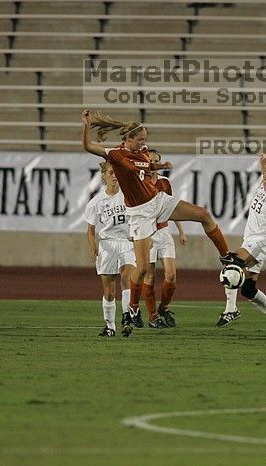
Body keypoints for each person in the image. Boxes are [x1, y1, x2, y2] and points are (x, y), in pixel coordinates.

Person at [81, 109, 244, 330]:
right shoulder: (116, 154)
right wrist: (86, 125)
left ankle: (226, 257)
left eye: (144, 140)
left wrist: (159, 166)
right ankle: (133, 310)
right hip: (139, 213)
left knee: (204, 215)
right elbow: (89, 147)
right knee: (141, 269)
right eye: (139, 140)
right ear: (128, 139)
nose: (143, 143)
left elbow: (145, 166)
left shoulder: (144, 151)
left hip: (157, 201)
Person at [215, 153, 266, 341]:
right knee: (248, 289)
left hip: (260, 242)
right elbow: (265, 176)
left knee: (232, 264)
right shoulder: (263, 187)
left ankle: (231, 309)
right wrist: (263, 165)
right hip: (251, 241)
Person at [84, 162, 136, 338]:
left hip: (127, 242)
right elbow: (90, 230)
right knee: (109, 292)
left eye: (117, 173)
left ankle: (127, 318)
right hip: (107, 244)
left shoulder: (129, 195)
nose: (115, 176)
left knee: (127, 277)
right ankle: (110, 327)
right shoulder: (96, 202)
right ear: (104, 175)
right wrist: (93, 246)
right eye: (111, 173)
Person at [137, 148, 187, 329]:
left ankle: (164, 307)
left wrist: (181, 230)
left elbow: (171, 208)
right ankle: (153, 317)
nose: (152, 163)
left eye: (155, 160)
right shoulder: (140, 182)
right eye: (149, 160)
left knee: (171, 275)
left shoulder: (165, 182)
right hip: (148, 233)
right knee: (149, 277)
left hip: (164, 232)